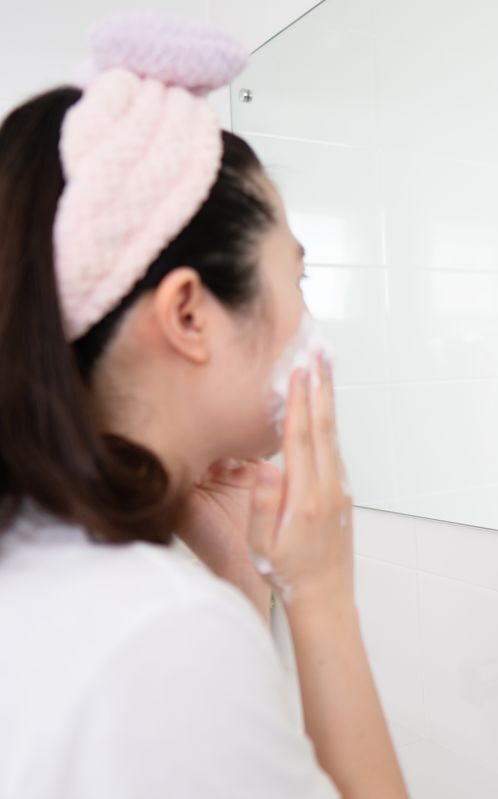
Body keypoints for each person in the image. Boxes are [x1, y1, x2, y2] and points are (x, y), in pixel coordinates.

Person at [0, 15, 407, 797]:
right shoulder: (161, 634)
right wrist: (319, 598)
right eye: (298, 278)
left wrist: (237, 581)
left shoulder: (48, 567)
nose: (311, 324)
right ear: (189, 314)